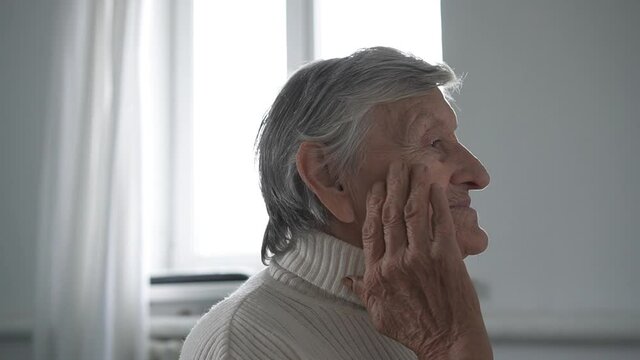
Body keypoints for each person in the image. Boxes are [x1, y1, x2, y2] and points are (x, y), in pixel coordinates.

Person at [180, 47, 493, 360]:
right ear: (329, 177)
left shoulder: (431, 313)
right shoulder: (242, 346)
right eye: (434, 142)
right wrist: (451, 345)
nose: (478, 175)